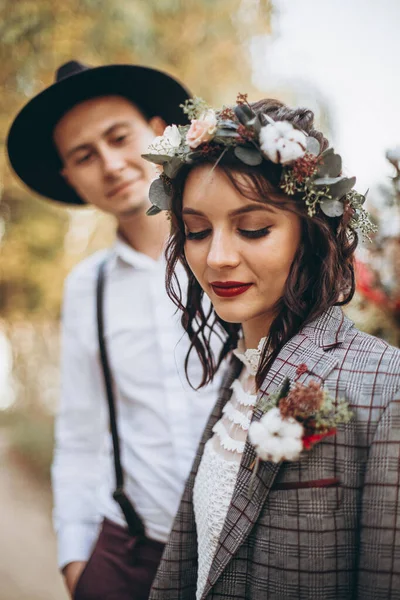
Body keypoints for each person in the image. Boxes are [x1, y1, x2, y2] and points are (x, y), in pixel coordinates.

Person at [142, 95, 400, 599]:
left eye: (253, 229)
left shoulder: (386, 386)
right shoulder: (235, 376)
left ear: (309, 233)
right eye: (196, 231)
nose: (217, 257)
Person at [7, 61, 221, 600]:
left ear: (157, 131)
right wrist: (76, 560)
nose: (109, 162)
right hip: (132, 554)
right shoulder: (88, 288)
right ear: (69, 177)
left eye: (118, 137)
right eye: (83, 155)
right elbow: (80, 436)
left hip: (255, 547)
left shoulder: (238, 251)